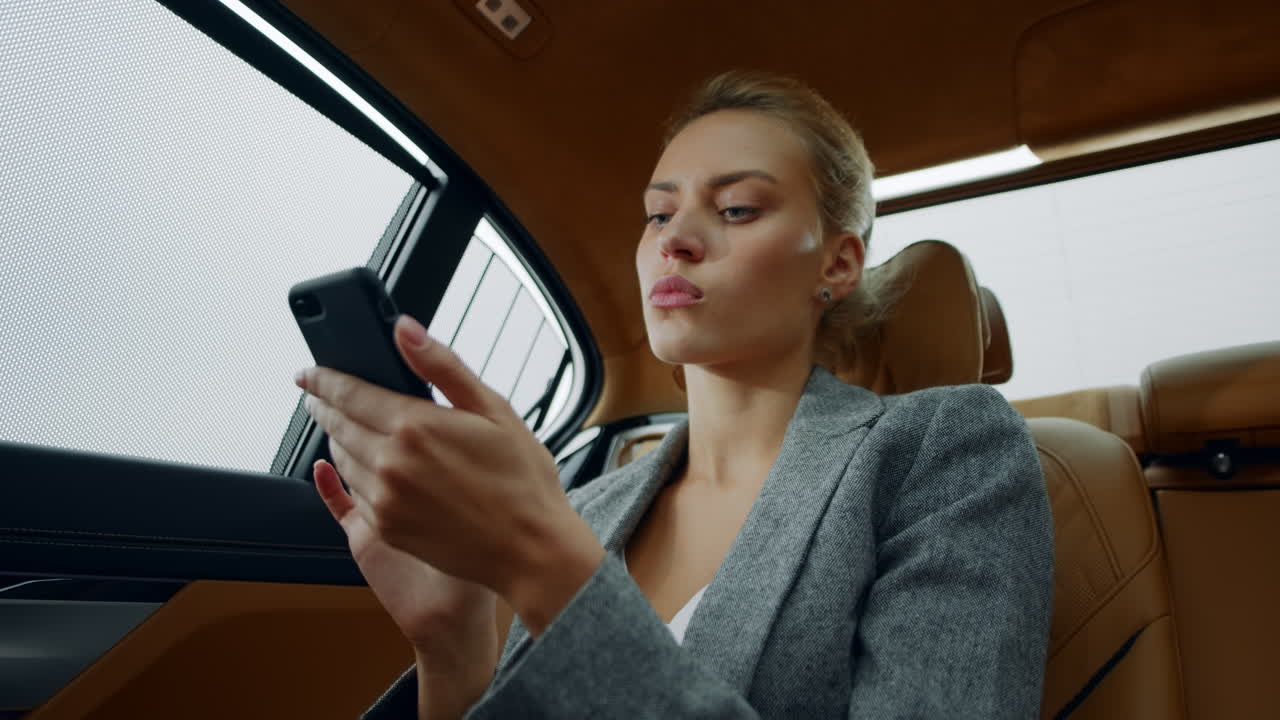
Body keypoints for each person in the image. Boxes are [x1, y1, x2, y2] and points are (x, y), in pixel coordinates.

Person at [295, 71, 1054, 719]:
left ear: (838, 263)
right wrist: (453, 649)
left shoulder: (943, 446)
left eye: (736, 209)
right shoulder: (585, 507)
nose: (675, 238)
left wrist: (547, 568)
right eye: (658, 213)